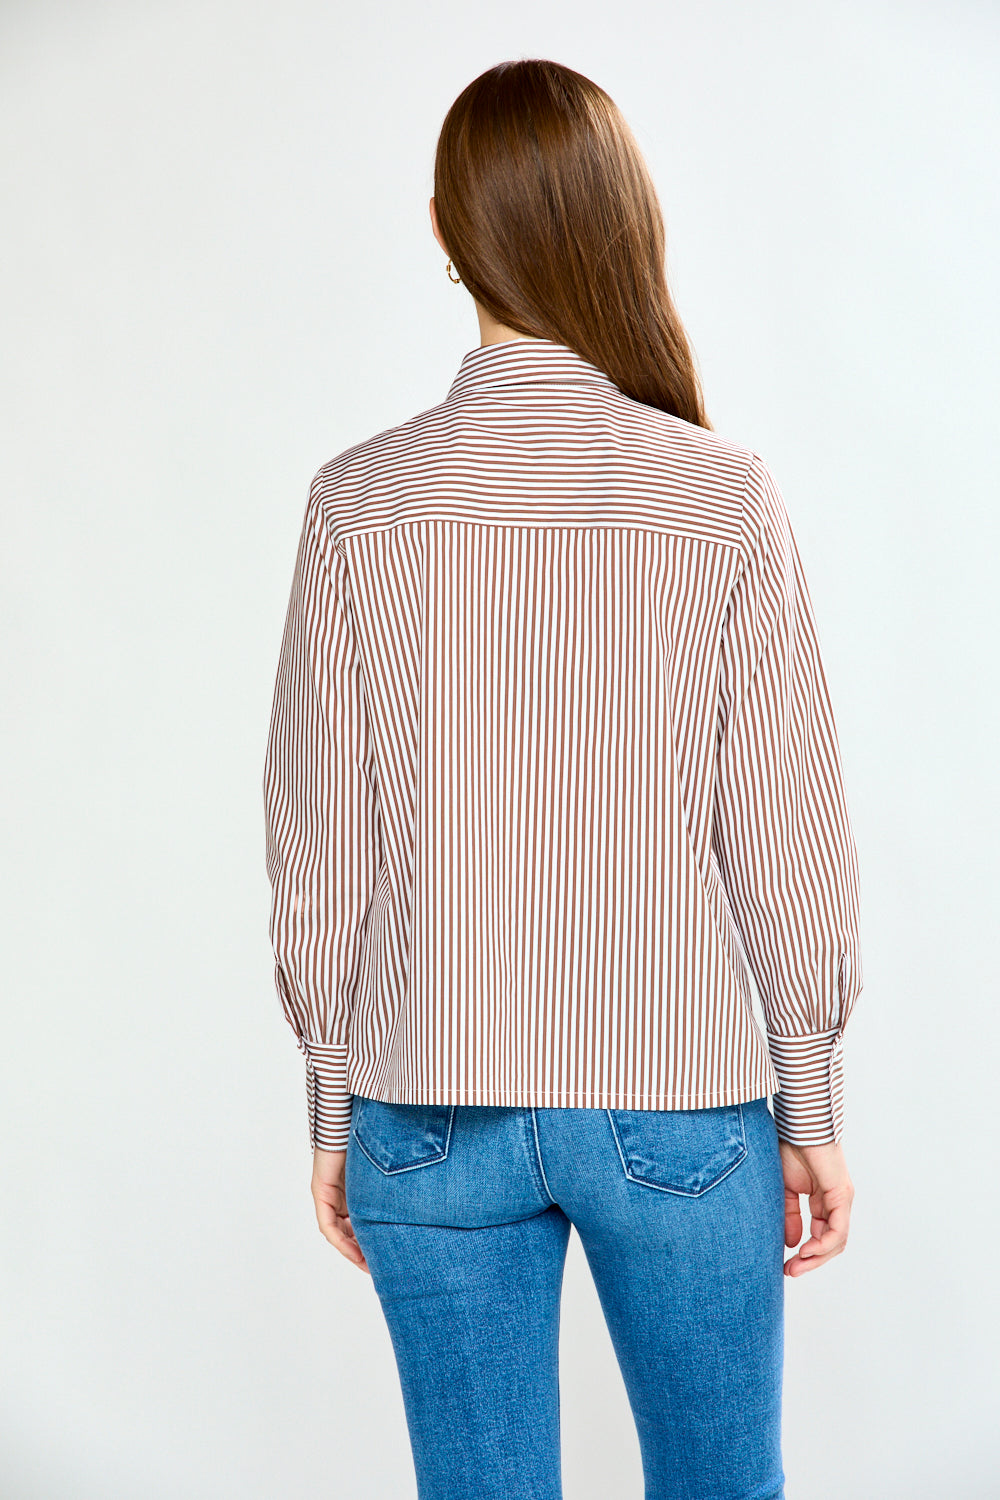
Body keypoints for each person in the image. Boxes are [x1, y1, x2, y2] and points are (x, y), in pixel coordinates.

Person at [262, 57, 861, 1500]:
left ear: (440, 229)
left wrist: (337, 1103)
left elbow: (317, 855)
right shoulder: (722, 496)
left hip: (430, 1104)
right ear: (621, 224)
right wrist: (812, 1102)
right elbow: (787, 842)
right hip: (684, 1102)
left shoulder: (360, 504)